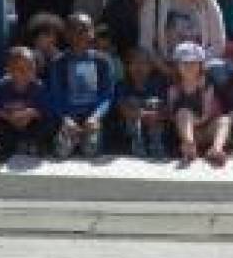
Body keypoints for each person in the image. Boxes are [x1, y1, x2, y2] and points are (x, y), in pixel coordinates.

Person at [46, 14, 115, 159]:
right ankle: (71, 136)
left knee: (91, 152)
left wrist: (96, 116)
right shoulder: (58, 62)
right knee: (61, 153)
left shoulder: (103, 61)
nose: (79, 35)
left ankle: (84, 138)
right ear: (67, 34)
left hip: (92, 117)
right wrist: (65, 118)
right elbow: (55, 95)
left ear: (92, 32)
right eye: (74, 30)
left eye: (84, 30)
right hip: (69, 116)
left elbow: (107, 95)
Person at [0, 46, 56, 157]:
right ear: (9, 70)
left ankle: (32, 142)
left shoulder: (39, 87)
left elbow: (49, 110)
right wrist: (6, 115)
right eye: (20, 69)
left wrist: (32, 113)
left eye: (30, 68)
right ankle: (10, 143)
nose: (25, 73)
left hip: (30, 126)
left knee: (52, 122)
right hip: (7, 126)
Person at [168, 41, 230, 166]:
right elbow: (172, 116)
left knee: (225, 120)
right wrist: (188, 119)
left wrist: (193, 120)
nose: (189, 66)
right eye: (184, 63)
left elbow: (205, 115)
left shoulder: (207, 86)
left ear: (200, 65)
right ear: (177, 66)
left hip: (206, 129)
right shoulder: (174, 88)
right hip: (187, 133)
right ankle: (189, 146)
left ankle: (216, 149)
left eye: (193, 63)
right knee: (183, 112)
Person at [114, 47, 168, 158]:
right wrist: (143, 114)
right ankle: (137, 144)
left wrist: (156, 115)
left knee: (154, 102)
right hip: (132, 126)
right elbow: (123, 109)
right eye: (134, 63)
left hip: (155, 125)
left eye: (143, 63)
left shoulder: (158, 83)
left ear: (151, 67)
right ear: (128, 66)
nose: (139, 67)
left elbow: (167, 109)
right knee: (132, 101)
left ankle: (156, 145)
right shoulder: (122, 84)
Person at [24, 12, 67, 81]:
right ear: (35, 37)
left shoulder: (60, 57)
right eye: (47, 35)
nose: (51, 39)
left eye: (54, 35)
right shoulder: (26, 56)